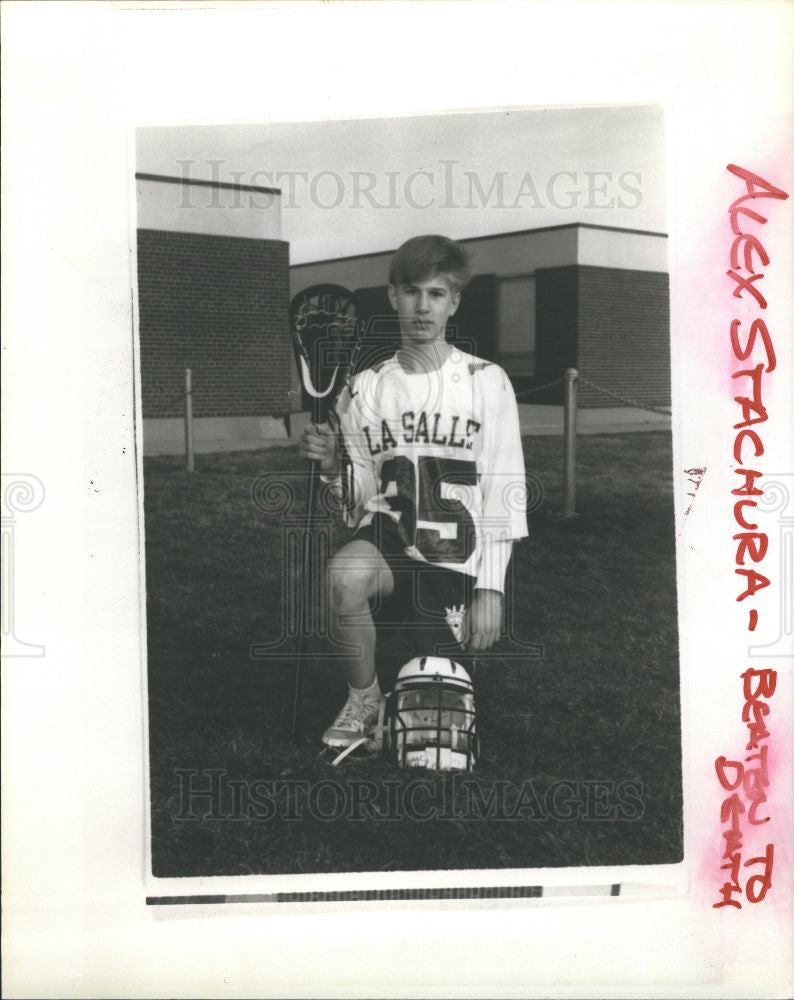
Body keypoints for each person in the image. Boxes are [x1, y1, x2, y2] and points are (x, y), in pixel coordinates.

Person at [299, 235, 528, 750]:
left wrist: (491, 590)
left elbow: (504, 488)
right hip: (386, 541)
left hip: (452, 558)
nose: (422, 307)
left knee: (434, 716)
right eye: (411, 292)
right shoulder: (364, 388)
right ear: (392, 295)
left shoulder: (485, 381)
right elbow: (353, 502)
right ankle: (363, 701)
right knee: (342, 578)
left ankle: (417, 671)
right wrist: (334, 466)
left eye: (436, 293)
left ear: (455, 302)